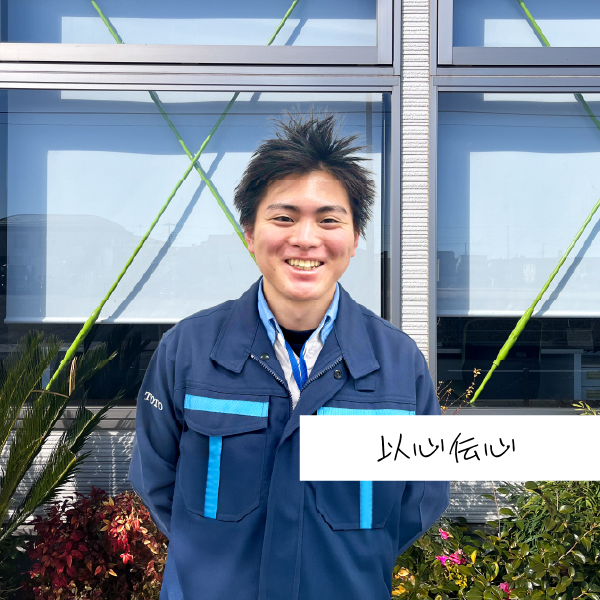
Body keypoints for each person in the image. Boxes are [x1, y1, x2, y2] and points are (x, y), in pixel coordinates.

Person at [129, 112, 449, 600]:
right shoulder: (187, 352)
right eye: (284, 217)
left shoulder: (399, 364)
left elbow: (420, 498)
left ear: (354, 239)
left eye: (329, 219)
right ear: (249, 233)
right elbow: (157, 482)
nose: (305, 238)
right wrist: (214, 559)